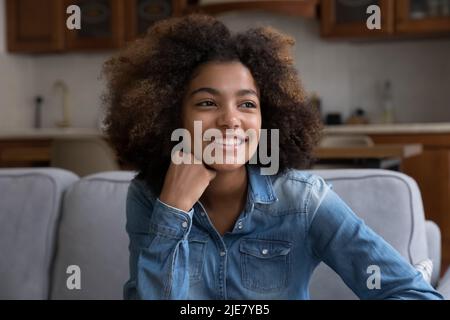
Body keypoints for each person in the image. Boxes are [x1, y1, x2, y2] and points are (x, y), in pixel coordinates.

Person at [102, 14, 442, 300]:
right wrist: (171, 212)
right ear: (172, 116)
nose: (230, 119)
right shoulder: (149, 198)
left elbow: (413, 293)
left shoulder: (303, 200)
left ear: (267, 119)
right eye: (207, 102)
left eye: (247, 104)